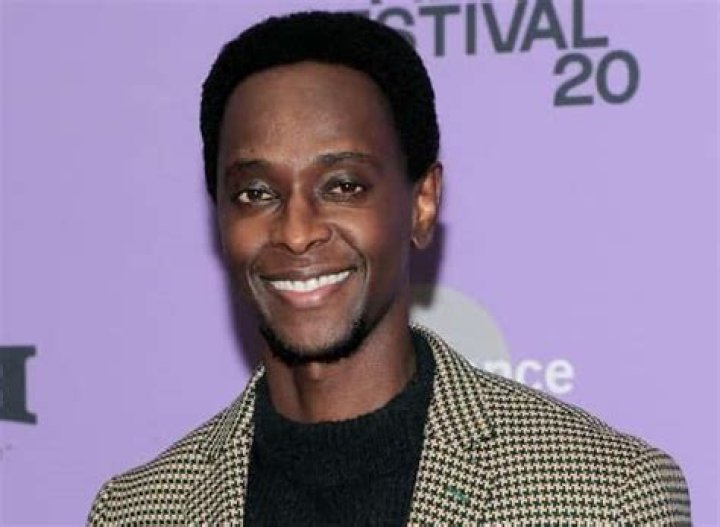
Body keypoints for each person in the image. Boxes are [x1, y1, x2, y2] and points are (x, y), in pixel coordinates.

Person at [88, 11, 691, 525]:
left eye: (343, 185)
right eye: (256, 193)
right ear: (220, 215)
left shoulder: (604, 497)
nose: (296, 231)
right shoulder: (138, 510)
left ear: (422, 203)